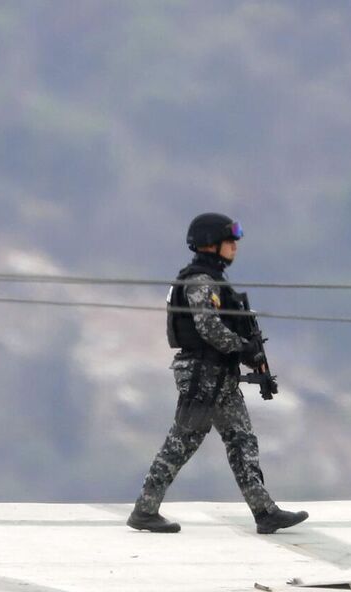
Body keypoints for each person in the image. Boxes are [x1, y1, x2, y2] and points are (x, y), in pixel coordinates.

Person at [128, 212, 308, 536]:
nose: (235, 247)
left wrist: (247, 352)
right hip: (203, 376)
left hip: (219, 376)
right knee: (183, 441)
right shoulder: (200, 282)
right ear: (211, 245)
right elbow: (208, 327)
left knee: (242, 441)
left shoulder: (213, 280)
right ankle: (145, 509)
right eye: (229, 241)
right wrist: (243, 349)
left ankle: (264, 511)